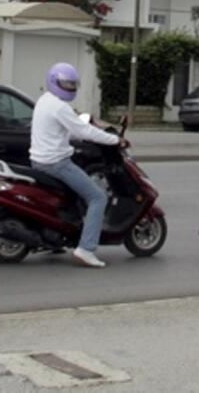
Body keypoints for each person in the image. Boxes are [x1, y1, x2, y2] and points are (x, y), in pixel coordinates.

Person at [28, 62, 125, 268]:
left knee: (72, 197)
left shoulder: (45, 100)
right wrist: (115, 140)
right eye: (66, 84)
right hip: (56, 163)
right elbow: (85, 131)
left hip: (40, 160)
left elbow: (65, 129)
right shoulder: (60, 107)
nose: (70, 88)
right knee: (99, 197)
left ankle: (57, 239)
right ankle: (86, 249)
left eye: (72, 84)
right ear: (54, 82)